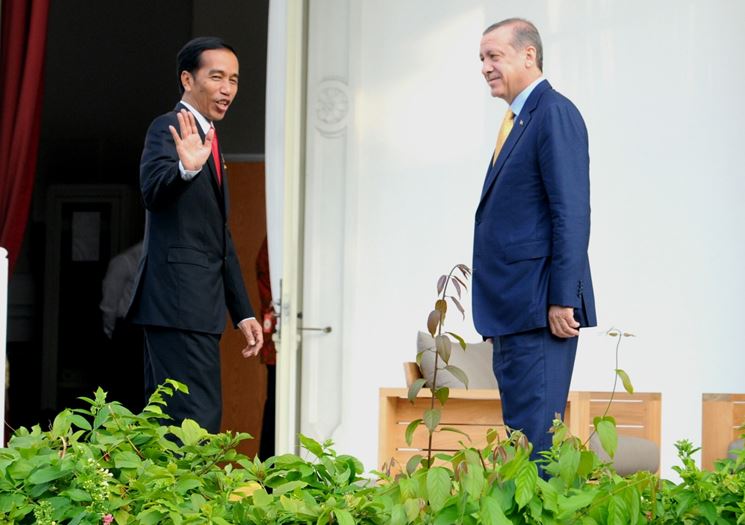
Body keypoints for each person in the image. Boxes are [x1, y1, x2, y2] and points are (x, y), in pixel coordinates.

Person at [472, 19, 597, 467]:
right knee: (521, 446)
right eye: (482, 59)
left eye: (494, 56)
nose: (485, 67)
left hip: (542, 309)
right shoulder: (519, 118)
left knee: (537, 449)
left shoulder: (553, 112)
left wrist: (563, 298)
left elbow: (571, 212)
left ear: (529, 55)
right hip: (514, 312)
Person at [128, 37, 263, 433]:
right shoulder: (169, 127)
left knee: (179, 419)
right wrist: (184, 170)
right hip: (177, 301)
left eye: (234, 80)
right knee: (192, 421)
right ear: (187, 79)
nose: (227, 89)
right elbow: (153, 192)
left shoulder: (208, 140)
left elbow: (217, 237)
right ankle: (185, 496)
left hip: (193, 305)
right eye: (216, 77)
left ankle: (169, 494)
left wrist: (243, 311)